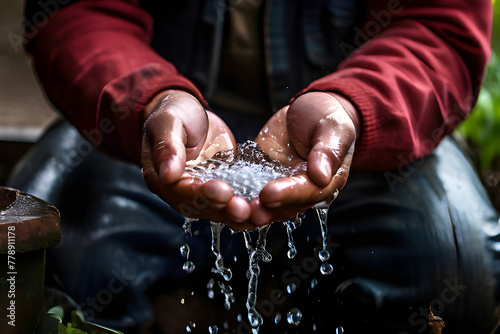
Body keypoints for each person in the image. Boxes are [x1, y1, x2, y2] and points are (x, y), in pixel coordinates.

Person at [10, 0, 500, 333]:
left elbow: (438, 26)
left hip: (362, 135)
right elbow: (76, 11)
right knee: (42, 255)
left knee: (457, 259)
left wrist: (350, 106)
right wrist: (152, 101)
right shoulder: (150, 113)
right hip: (153, 125)